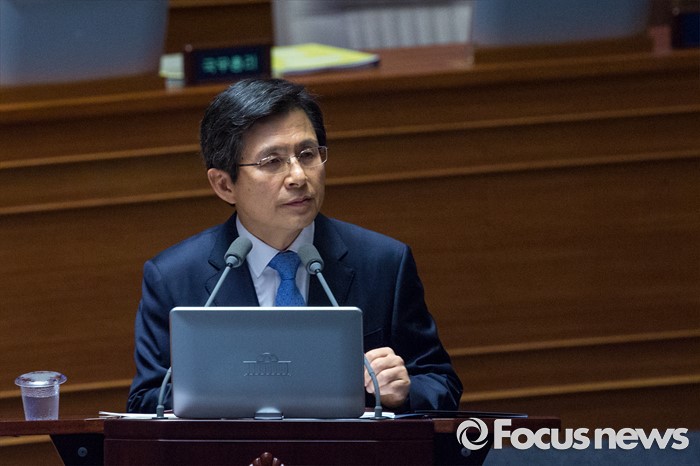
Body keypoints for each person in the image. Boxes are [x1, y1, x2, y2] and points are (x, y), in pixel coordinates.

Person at [127, 78, 462, 414]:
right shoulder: (173, 278)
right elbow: (145, 402)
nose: (298, 177)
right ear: (224, 185)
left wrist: (403, 392)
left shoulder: (383, 263)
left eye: (307, 154)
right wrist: (222, 391)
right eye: (272, 161)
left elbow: (440, 383)